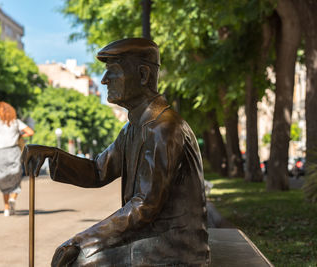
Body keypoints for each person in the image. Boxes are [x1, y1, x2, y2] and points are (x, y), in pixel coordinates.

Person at [22, 38, 210, 266]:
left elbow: (145, 205)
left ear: (142, 75)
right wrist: (53, 155)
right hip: (152, 238)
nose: (104, 80)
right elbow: (98, 171)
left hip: (174, 248)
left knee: (79, 261)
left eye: (113, 71)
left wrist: (81, 241)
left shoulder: (164, 128)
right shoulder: (133, 127)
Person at [0, 102, 34, 216]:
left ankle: (6, 208)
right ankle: (13, 198)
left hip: (1, 153)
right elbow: (30, 132)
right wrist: (19, 136)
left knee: (3, 179)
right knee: (16, 177)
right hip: (14, 152)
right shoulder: (16, 122)